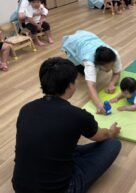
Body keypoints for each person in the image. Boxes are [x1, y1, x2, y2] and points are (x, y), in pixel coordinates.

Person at [12, 57, 121, 193]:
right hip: (61, 189)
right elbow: (102, 136)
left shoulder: (26, 109)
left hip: (19, 186)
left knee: (57, 144)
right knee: (113, 144)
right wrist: (111, 132)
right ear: (70, 85)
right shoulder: (78, 116)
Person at [61, 30, 122, 114]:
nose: (113, 66)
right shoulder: (89, 62)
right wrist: (99, 105)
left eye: (113, 63)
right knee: (78, 69)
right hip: (74, 42)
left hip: (88, 36)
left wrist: (111, 83)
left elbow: (117, 72)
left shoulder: (115, 55)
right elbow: (91, 86)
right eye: (110, 65)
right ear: (101, 65)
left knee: (87, 73)